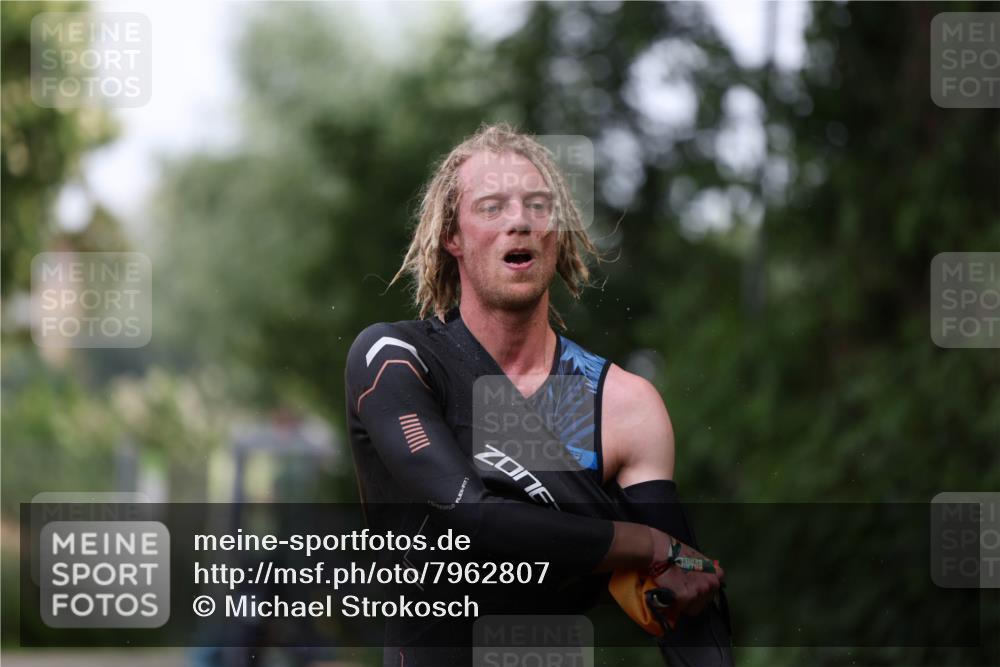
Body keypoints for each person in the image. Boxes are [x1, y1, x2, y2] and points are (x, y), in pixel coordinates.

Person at [344, 123, 732, 666]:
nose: (520, 221)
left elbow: (690, 613)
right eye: (492, 207)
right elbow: (472, 520)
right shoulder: (397, 361)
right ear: (451, 236)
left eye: (537, 205)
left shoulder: (621, 404)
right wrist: (646, 544)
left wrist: (664, 559)